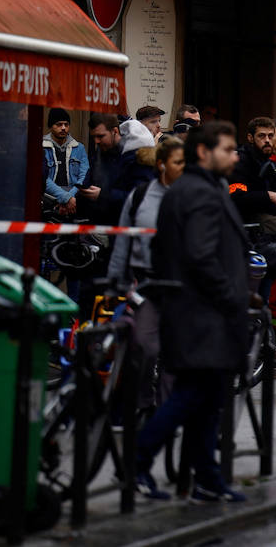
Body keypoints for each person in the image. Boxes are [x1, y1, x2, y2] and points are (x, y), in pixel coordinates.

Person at [134, 121, 251, 503]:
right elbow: (201, 256)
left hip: (198, 310)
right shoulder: (199, 192)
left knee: (207, 399)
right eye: (228, 149)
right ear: (204, 152)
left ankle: (207, 478)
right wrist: (232, 295)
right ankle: (136, 461)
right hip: (203, 313)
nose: (235, 156)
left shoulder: (196, 188)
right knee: (192, 395)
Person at [110, 136, 185, 416]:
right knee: (143, 345)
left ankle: (166, 413)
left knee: (174, 354)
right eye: (178, 163)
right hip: (147, 284)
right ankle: (140, 402)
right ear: (162, 165)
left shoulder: (191, 197)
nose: (184, 168)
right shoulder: (140, 195)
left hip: (182, 285)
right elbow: (123, 242)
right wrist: (115, 282)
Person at [41, 108, 88, 220]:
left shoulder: (79, 148)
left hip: (74, 197)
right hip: (49, 197)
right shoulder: (42, 147)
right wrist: (65, 198)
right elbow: (42, 178)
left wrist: (70, 197)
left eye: (66, 124)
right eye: (59, 124)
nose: (63, 128)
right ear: (51, 126)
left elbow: (84, 175)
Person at [79, 114, 123, 224]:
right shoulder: (100, 151)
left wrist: (102, 195)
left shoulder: (130, 155)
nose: (96, 141)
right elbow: (91, 176)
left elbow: (134, 196)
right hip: (97, 220)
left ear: (115, 131)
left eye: (100, 136)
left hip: (119, 223)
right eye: (94, 137)